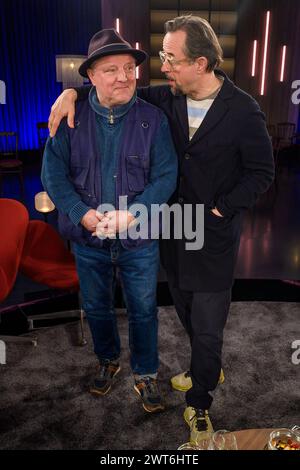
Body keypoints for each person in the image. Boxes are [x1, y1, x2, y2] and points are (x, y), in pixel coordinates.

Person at [48, 16, 274, 443]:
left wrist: (222, 210)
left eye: (171, 58)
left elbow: (262, 172)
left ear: (201, 63)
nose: (162, 66)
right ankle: (203, 368)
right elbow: (109, 86)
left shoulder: (242, 109)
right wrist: (70, 94)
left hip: (211, 234)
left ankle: (201, 403)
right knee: (186, 310)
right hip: (170, 229)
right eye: (164, 57)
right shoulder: (166, 96)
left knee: (207, 322)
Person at [42, 28, 178, 414]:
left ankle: (146, 372)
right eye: (111, 69)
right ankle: (107, 360)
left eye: (129, 68)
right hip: (88, 243)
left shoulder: (154, 119)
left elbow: (165, 176)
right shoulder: (70, 117)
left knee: (144, 309)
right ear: (90, 78)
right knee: (97, 307)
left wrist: (133, 214)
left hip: (139, 242)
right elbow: (52, 174)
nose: (124, 76)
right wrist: (79, 214)